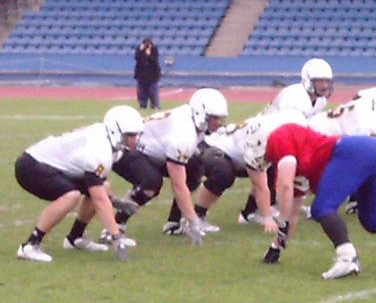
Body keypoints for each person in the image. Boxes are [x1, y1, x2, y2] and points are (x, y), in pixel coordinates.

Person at [243, 122, 376, 279]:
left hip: (351, 151)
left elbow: (285, 186)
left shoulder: (280, 139)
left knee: (322, 208)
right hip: (372, 151)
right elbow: (295, 207)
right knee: (373, 220)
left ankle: (346, 258)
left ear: (260, 141)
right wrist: (277, 246)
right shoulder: (291, 154)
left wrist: (283, 221)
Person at [98, 88, 228, 246]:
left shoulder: (191, 117)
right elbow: (178, 184)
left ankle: (174, 224)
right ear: (202, 115)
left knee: (195, 166)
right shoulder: (184, 134)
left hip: (153, 150)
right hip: (127, 148)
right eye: (214, 118)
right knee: (152, 182)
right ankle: (114, 228)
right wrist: (193, 220)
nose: (218, 122)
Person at [15, 105, 144, 262]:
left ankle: (75, 238)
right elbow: (100, 200)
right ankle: (30, 245)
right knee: (71, 196)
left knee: (102, 188)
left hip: (54, 164)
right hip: (32, 165)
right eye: (130, 135)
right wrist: (116, 237)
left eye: (136, 135)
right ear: (115, 132)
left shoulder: (108, 142)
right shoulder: (100, 150)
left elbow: (100, 188)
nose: (135, 140)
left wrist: (114, 199)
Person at [239, 58, 334, 223]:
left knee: (283, 168)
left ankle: (274, 203)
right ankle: (252, 211)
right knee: (272, 171)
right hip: (264, 135)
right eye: (320, 81)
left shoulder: (320, 100)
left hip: (282, 134)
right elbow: (291, 128)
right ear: (308, 80)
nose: (324, 85)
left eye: (326, 81)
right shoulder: (295, 96)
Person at [189, 109, 308, 233]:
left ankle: (250, 213)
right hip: (213, 148)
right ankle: (197, 216)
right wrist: (268, 218)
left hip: (238, 152)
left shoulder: (288, 121)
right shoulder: (260, 139)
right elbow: (261, 185)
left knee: (274, 167)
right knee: (224, 174)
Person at [134, 37, 162, 109]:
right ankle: (143, 105)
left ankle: (155, 105)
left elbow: (155, 61)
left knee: (153, 92)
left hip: (152, 76)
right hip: (141, 75)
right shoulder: (139, 50)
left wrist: (149, 55)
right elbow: (137, 58)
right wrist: (140, 50)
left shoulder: (154, 50)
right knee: (141, 92)